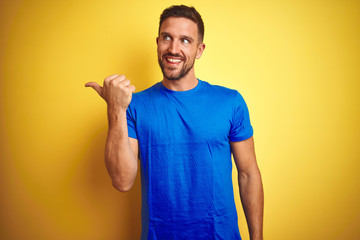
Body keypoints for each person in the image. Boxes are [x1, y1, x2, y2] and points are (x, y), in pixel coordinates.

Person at [85, 5, 264, 240]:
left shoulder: (230, 102)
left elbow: (248, 174)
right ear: (157, 42)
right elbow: (122, 180)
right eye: (167, 38)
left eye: (185, 40)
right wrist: (115, 108)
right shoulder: (134, 106)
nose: (173, 48)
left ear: (200, 50)